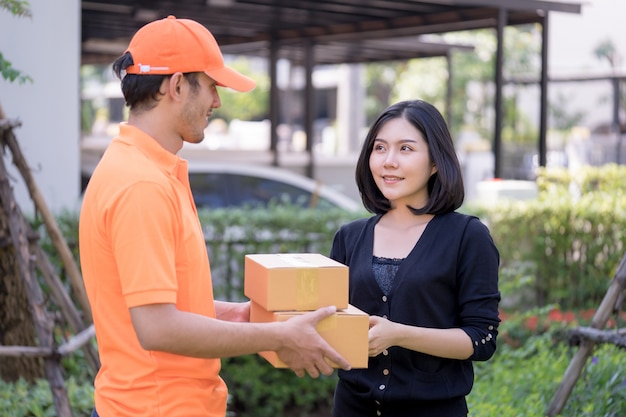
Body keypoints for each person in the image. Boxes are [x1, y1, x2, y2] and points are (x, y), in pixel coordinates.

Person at [78, 15, 350, 417]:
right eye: (211, 86)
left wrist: (243, 319)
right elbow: (157, 326)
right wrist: (277, 335)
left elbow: (164, 303)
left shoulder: (142, 169)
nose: (217, 102)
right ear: (176, 86)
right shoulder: (142, 185)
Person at [329, 100, 501, 417]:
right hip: (351, 407)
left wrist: (398, 334)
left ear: (435, 162)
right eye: (379, 148)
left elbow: (481, 339)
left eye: (405, 149)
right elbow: (332, 322)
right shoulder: (349, 237)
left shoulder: (467, 237)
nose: (388, 161)